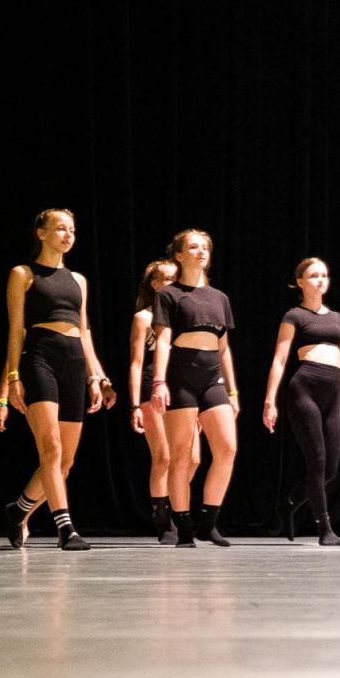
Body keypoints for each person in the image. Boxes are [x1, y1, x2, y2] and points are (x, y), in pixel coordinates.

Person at [0, 208, 116, 551]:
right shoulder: (24, 274)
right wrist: (12, 380)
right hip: (39, 357)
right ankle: (66, 529)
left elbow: (85, 331)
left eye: (72, 230)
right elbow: (16, 330)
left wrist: (98, 377)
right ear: (41, 233)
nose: (67, 235)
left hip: (74, 361)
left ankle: (18, 510)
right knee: (51, 448)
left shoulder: (79, 281)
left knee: (65, 462)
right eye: (59, 228)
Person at [263, 257, 340, 545]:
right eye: (314, 275)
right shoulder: (294, 316)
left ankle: (290, 502)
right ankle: (324, 529)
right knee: (316, 461)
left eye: (324, 275)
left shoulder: (337, 319)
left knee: (330, 468)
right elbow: (279, 360)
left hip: (332, 394)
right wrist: (270, 401)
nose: (321, 280)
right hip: (303, 388)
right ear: (300, 282)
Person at [151, 229, 240, 548]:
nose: (201, 252)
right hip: (181, 377)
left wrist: (233, 391)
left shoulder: (219, 298)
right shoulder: (170, 295)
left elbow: (224, 347)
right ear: (179, 255)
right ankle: (184, 525)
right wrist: (159, 382)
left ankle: (208, 520)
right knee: (180, 456)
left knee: (227, 448)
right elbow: (162, 340)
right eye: (193, 247)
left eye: (205, 247)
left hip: (212, 375)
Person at [128, 259, 199, 544]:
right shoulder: (144, 318)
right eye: (166, 279)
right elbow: (135, 362)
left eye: (176, 278)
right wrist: (134, 404)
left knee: (192, 457)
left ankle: (172, 504)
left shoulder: (184, 316)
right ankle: (162, 519)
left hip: (182, 386)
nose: (172, 283)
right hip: (151, 385)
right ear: (155, 284)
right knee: (164, 455)